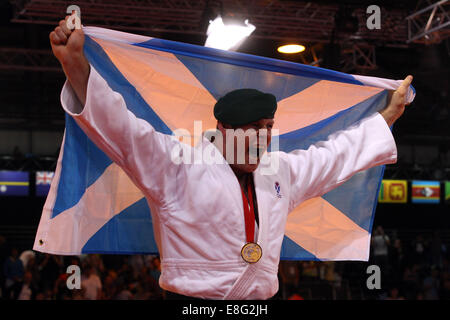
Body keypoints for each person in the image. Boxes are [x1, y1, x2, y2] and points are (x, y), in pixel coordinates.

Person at [48, 15, 413, 300]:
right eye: (254, 127)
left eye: (268, 126)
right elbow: (121, 130)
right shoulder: (178, 166)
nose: (264, 136)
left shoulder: (280, 172)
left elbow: (335, 156)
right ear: (224, 130)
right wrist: (75, 64)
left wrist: (389, 116)